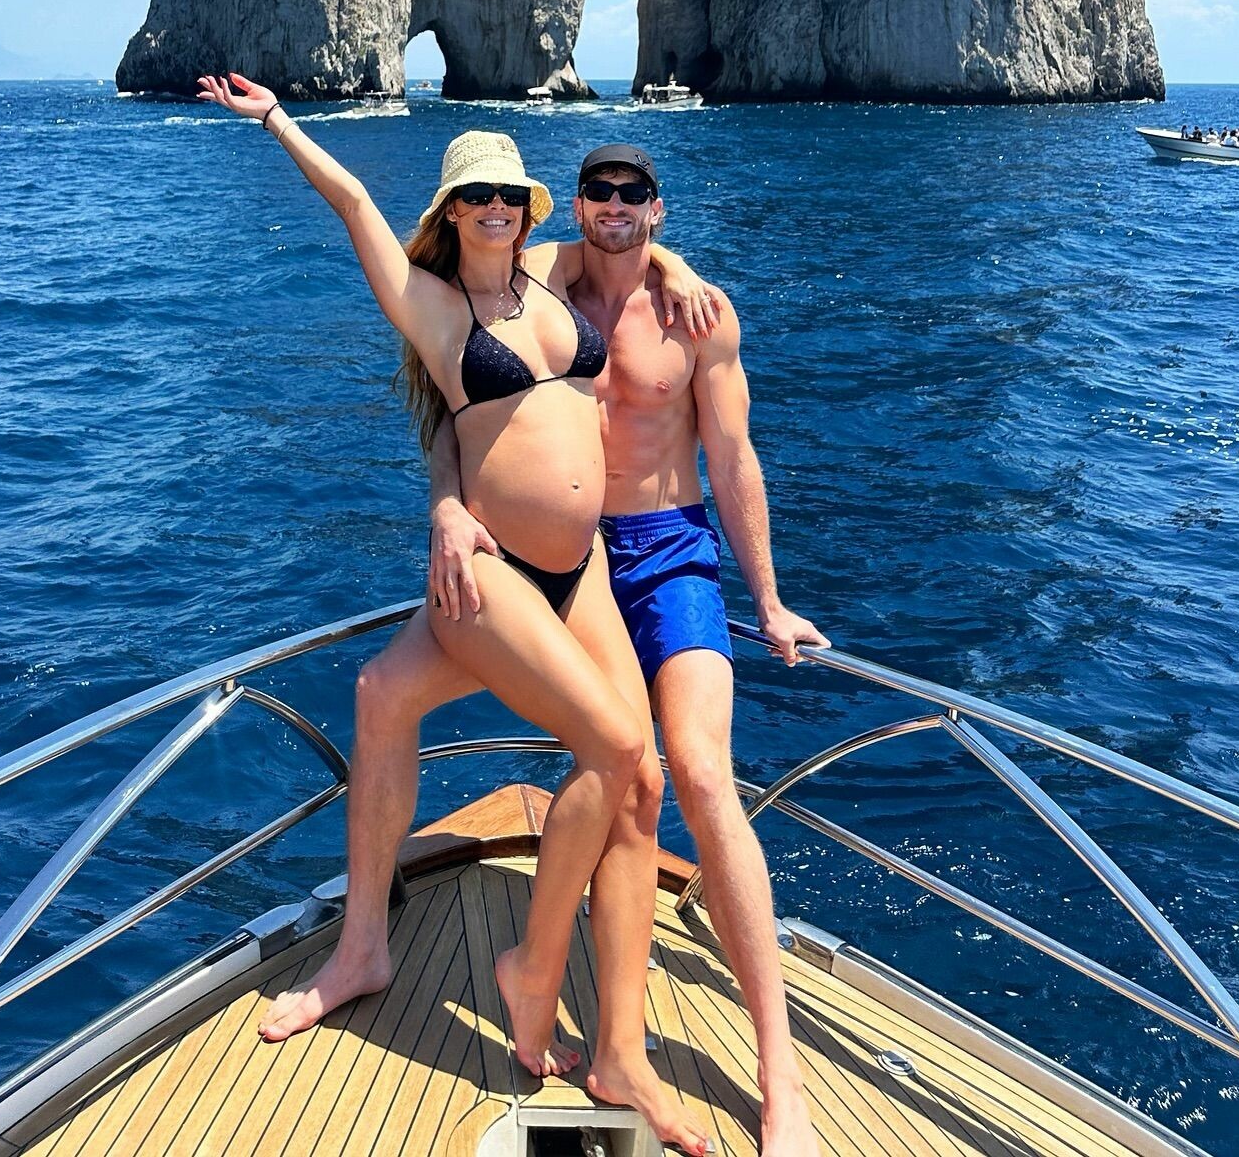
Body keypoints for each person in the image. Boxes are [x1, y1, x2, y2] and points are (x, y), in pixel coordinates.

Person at [196, 75, 709, 1157]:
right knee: (617, 749)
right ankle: (523, 967)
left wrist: (676, 265)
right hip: (494, 578)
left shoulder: (547, 280)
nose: (495, 210)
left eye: (510, 196)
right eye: (477, 196)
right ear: (451, 209)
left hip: (582, 574)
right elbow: (353, 205)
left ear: (527, 208)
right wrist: (280, 121)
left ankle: (621, 1050)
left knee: (635, 781)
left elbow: (628, 242)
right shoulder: (432, 306)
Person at [336, 141, 831, 1156]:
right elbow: (457, 399)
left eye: (633, 193)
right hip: (564, 562)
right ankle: (425, 964)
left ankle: (779, 1072)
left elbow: (734, 456)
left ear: (656, 206)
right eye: (599, 191)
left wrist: (772, 602)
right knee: (420, 703)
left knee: (697, 773)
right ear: (570, 205)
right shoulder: (539, 274)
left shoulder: (700, 312)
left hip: (670, 554)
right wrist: (445, 506)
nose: (614, 205)